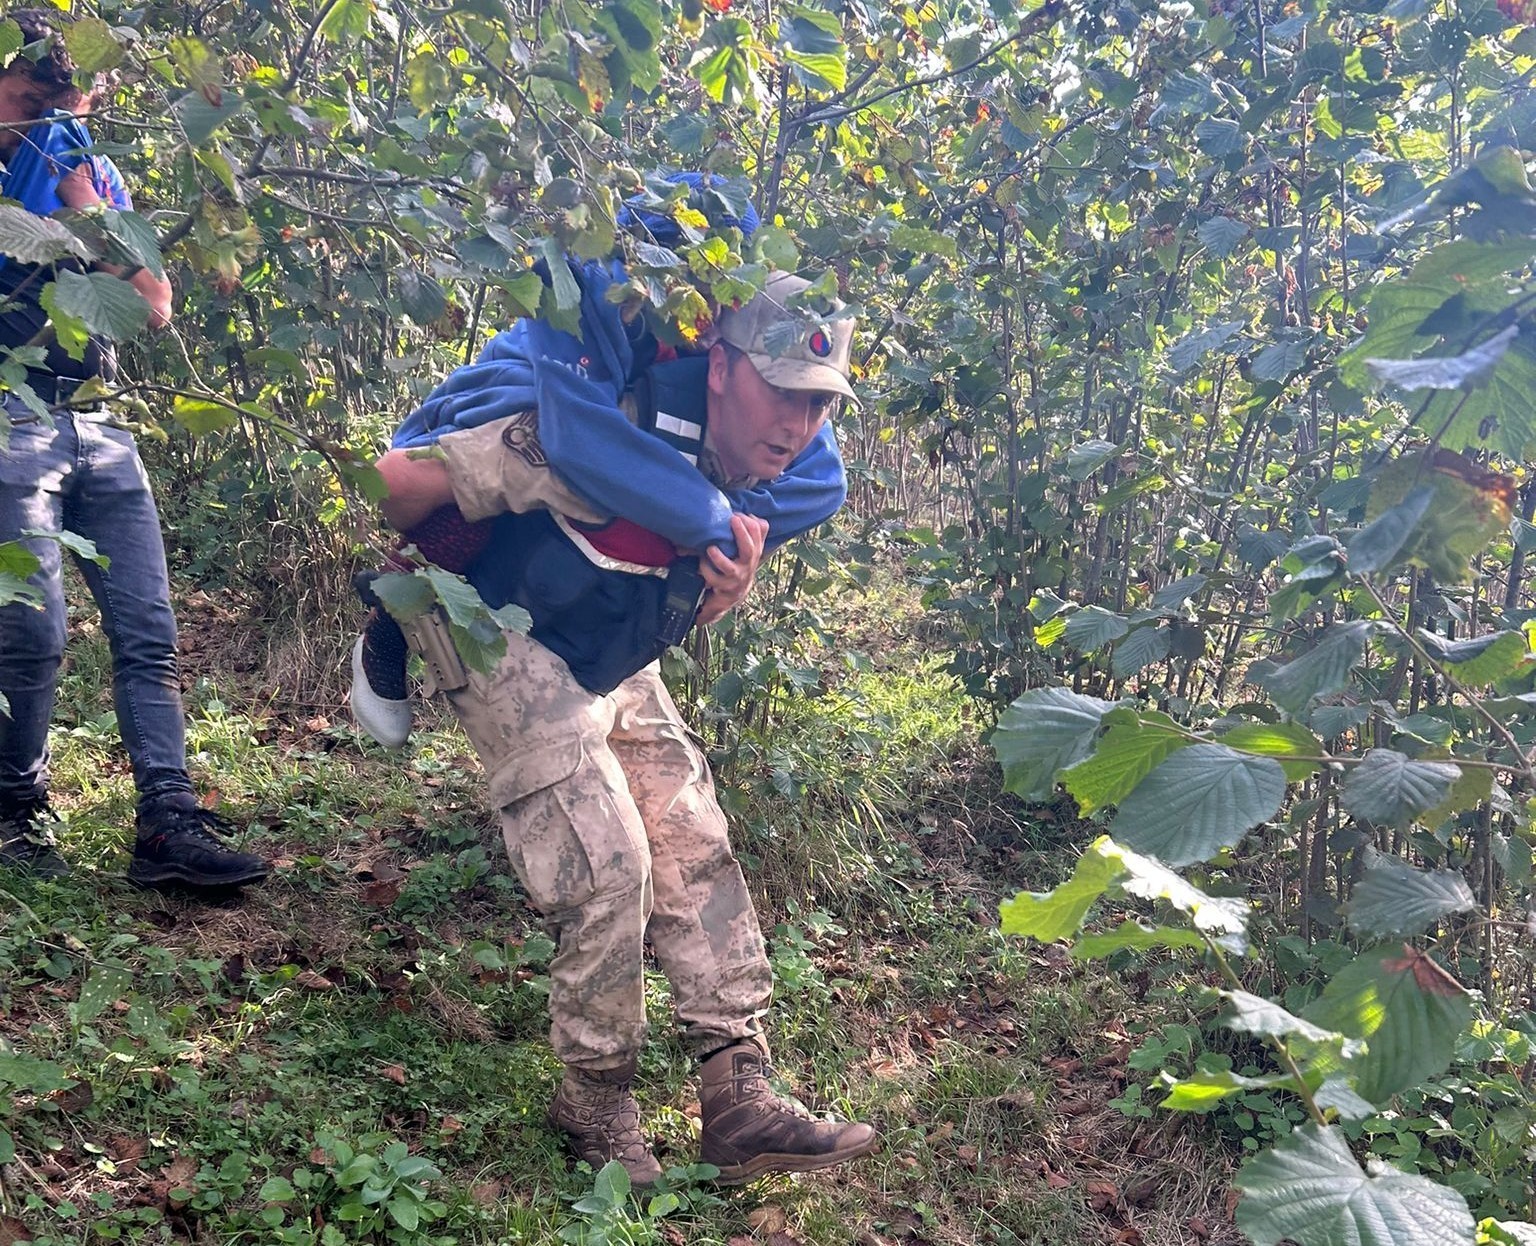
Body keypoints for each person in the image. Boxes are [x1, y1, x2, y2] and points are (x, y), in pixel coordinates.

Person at [368, 243, 878, 1185]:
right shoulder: (596, 410)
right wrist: (544, 475)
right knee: (607, 856)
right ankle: (594, 1103)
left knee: (690, 833)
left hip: (602, 641)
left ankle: (739, 1096)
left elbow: (689, 551)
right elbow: (390, 486)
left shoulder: (761, 473)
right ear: (720, 366)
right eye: (783, 393)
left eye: (821, 404)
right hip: (491, 620)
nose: (799, 424)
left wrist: (721, 573)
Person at [0, 10, 268, 888]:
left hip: (100, 419)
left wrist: (84, 203)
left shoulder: (95, 174)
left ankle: (168, 823)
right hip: (12, 418)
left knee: (148, 630)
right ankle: (17, 808)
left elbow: (154, 304)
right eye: (30, 96)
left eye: (64, 100)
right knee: (31, 634)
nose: (43, 117)